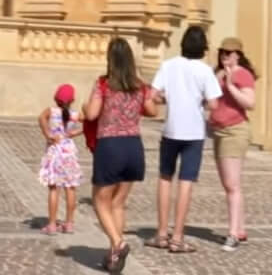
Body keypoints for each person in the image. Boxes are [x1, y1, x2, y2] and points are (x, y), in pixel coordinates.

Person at [149, 25, 220, 253]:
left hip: (171, 129)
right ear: (203, 47)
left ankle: (161, 233)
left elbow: (153, 95)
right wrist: (199, 101)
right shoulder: (205, 70)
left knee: (164, 178)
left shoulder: (168, 65)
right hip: (193, 132)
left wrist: (169, 98)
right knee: (186, 182)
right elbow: (214, 104)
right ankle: (177, 236)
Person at [85, 36, 150, 274]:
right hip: (133, 146)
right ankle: (113, 256)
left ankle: (118, 243)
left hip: (110, 146)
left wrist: (85, 106)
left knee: (100, 201)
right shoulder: (140, 85)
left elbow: (92, 114)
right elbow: (152, 110)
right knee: (118, 203)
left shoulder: (103, 84)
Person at [210, 37, 258, 250]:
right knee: (228, 184)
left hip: (235, 131)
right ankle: (239, 228)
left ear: (238, 55)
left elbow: (250, 103)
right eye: (222, 52)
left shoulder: (242, 74)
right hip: (219, 132)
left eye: (229, 53)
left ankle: (232, 234)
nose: (225, 56)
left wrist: (230, 86)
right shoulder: (217, 73)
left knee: (232, 184)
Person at [40, 84, 84, 235]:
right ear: (73, 99)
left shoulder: (51, 111)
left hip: (54, 151)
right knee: (70, 188)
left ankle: (52, 224)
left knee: (54, 188)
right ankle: (69, 223)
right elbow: (90, 124)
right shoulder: (75, 114)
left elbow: (41, 118)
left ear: (55, 98)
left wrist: (48, 134)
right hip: (69, 151)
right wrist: (75, 132)